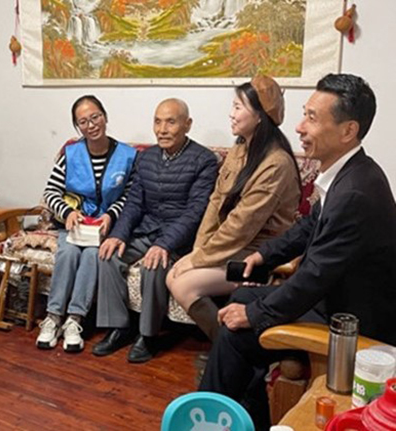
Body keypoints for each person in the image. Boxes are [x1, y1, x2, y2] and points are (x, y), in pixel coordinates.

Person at [199, 73, 396, 429]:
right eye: (304, 114)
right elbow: (308, 228)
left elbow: (313, 277)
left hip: (349, 324)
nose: (299, 126)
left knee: (235, 332)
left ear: (348, 130)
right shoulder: (350, 174)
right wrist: (265, 255)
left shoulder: (355, 193)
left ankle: (208, 418)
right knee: (240, 296)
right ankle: (248, 416)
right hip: (331, 300)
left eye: (312, 118)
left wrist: (255, 314)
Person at [166, 75, 301, 341]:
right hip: (233, 247)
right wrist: (199, 250)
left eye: (238, 107)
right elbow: (216, 201)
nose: (231, 114)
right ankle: (228, 348)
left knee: (183, 284)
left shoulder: (277, 163)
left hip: (260, 256)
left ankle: (231, 348)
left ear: (260, 116)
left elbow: (242, 225)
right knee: (173, 274)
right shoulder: (240, 148)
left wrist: (198, 260)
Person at [94, 99, 219, 363]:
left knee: (154, 265)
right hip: (146, 230)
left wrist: (164, 244)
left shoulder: (204, 160)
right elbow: (134, 203)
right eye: (157, 121)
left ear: (187, 125)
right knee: (107, 254)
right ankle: (119, 327)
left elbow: (195, 212)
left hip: (179, 239)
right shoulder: (146, 157)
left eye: (170, 122)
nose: (162, 129)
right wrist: (118, 234)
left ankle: (148, 335)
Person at [36, 95, 137, 352]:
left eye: (95, 117)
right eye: (83, 121)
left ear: (105, 117)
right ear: (77, 126)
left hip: (105, 228)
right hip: (74, 226)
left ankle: (74, 320)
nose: (91, 125)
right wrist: (68, 212)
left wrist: (111, 215)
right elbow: (51, 192)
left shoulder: (127, 156)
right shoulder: (70, 154)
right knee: (68, 252)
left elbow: (131, 196)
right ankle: (53, 317)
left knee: (93, 255)